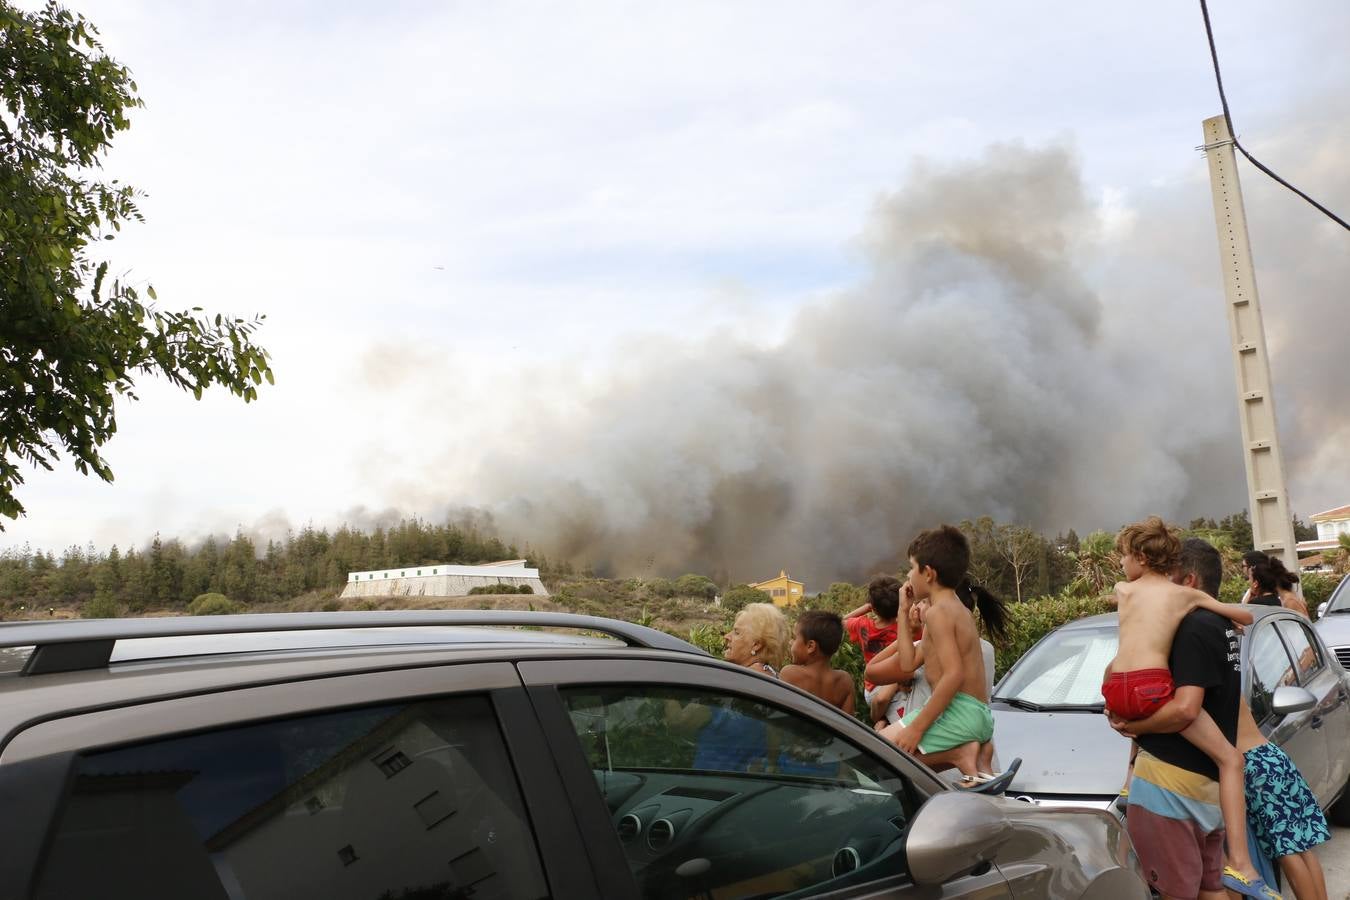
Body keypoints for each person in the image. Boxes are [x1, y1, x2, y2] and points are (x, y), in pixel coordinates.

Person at [1108, 534, 1278, 900]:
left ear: (1187, 580)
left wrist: (1133, 726)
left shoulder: (1191, 627)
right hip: (1207, 793)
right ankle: (1243, 865)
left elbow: (1184, 708)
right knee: (1209, 888)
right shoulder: (1221, 626)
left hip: (1171, 789)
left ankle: (1243, 864)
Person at [878, 525, 1008, 782]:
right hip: (974, 714)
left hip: (958, 712)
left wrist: (917, 728)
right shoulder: (950, 610)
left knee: (877, 756)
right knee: (886, 758)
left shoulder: (939, 613)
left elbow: (954, 675)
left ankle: (961, 753)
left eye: (911, 567)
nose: (908, 575)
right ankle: (979, 755)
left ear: (928, 573)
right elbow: (907, 663)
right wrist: (903, 613)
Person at [670, 602, 788, 773]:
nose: (727, 636)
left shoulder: (730, 683)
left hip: (713, 786)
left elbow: (679, 725)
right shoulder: (776, 680)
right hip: (753, 788)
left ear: (756, 645)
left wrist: (665, 686)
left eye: (737, 632)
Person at [843, 577, 903, 728]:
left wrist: (867, 607)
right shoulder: (907, 629)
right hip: (895, 689)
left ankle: (882, 721)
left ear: (874, 607)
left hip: (872, 689)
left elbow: (839, 622)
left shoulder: (862, 625)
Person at [781, 610, 856, 714]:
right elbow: (848, 724)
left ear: (810, 646)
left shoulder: (790, 673)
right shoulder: (844, 681)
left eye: (794, 638)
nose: (791, 642)